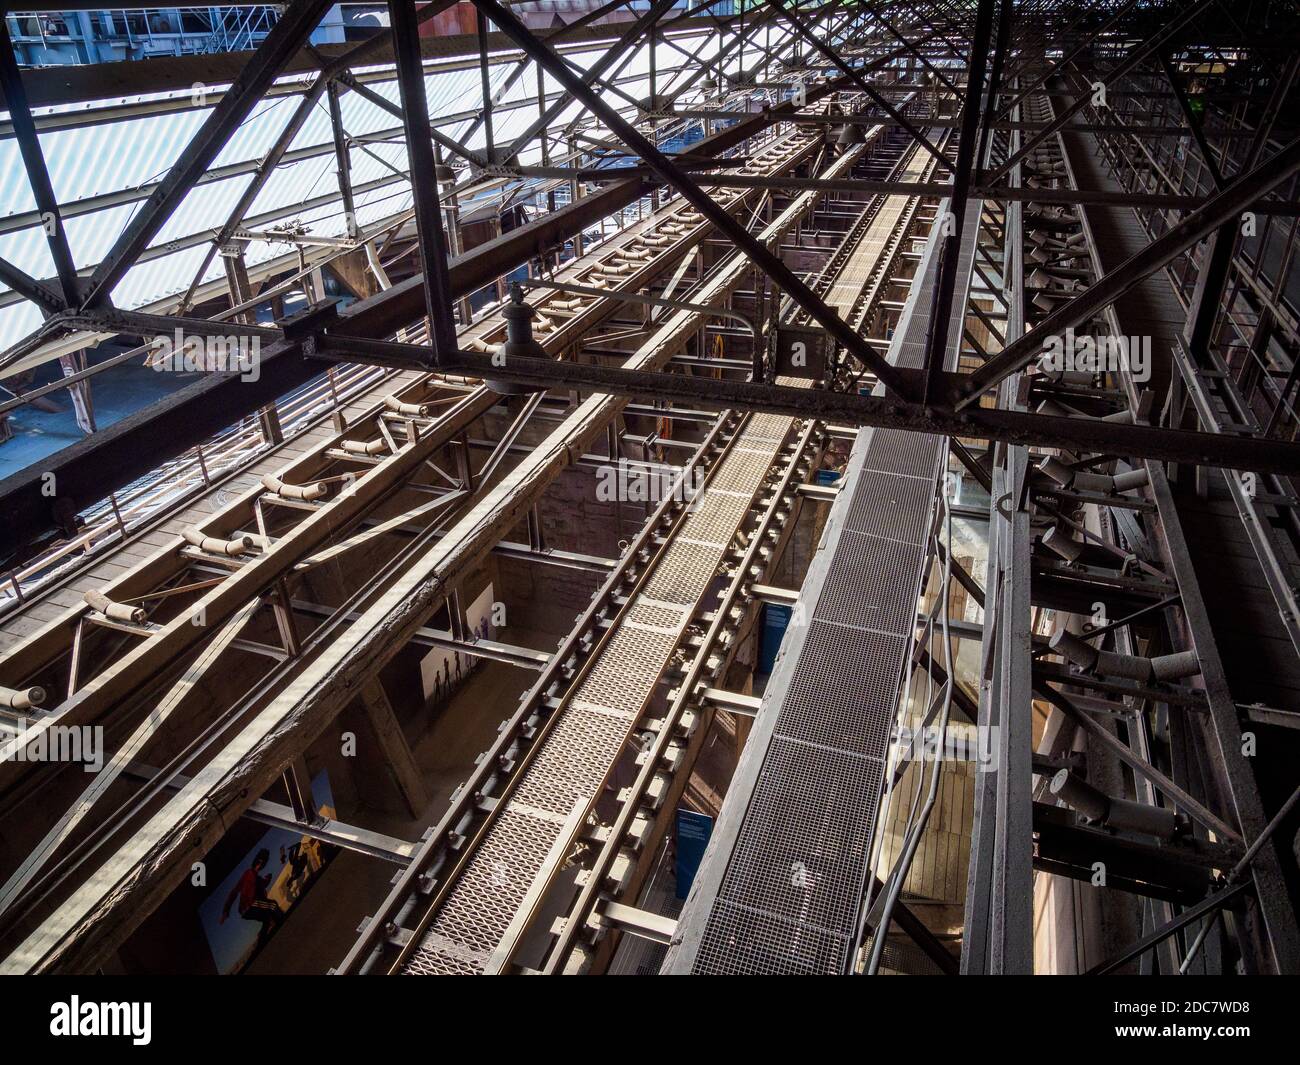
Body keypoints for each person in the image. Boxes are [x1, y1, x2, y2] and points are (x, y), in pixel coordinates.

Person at [220, 847, 282, 946]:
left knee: (267, 918)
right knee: (273, 905)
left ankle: (261, 943)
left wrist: (268, 878)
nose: (259, 866)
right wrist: (226, 911)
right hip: (249, 905)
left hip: (249, 910)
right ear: (255, 862)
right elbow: (234, 891)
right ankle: (283, 921)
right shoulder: (248, 873)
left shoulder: (258, 878)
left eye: (262, 864)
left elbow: (263, 884)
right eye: (258, 863)